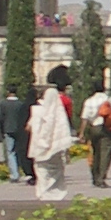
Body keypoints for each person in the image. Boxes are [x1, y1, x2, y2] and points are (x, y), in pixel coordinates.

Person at [29, 66, 79, 201]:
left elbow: (30, 127)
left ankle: (45, 197)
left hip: (42, 147)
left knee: (44, 174)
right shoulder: (61, 107)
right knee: (55, 173)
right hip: (56, 146)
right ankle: (55, 197)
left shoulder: (40, 110)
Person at [0, 74, 37, 187]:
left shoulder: (3, 104)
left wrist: (1, 130)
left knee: (10, 152)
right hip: (19, 130)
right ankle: (21, 170)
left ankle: (14, 174)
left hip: (8, 129)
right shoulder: (20, 104)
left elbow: (1, 117)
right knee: (19, 151)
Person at [84, 85, 111, 187]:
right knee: (105, 154)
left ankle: (95, 176)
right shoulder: (110, 100)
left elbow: (84, 117)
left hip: (94, 128)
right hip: (107, 128)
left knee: (95, 153)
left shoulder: (89, 101)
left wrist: (81, 132)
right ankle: (101, 178)